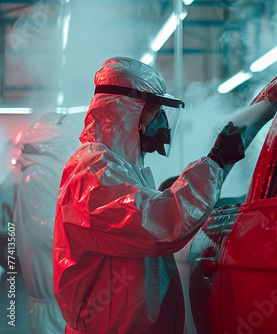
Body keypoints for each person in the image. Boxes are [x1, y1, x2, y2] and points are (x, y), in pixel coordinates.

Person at [52, 56, 259, 333]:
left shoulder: (117, 167)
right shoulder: (91, 172)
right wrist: (215, 162)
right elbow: (159, 224)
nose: (160, 122)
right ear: (124, 109)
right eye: (153, 109)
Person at [14, 112, 82, 333]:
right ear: (55, 144)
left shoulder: (43, 173)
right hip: (52, 307)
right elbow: (51, 233)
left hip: (56, 304)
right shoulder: (37, 176)